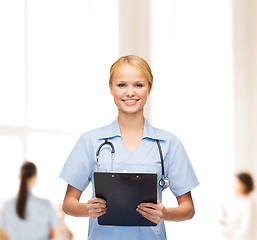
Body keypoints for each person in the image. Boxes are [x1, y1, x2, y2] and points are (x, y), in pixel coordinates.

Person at [59, 55, 199, 240]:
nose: (130, 92)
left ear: (149, 88)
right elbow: (68, 204)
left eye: (139, 85)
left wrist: (165, 214)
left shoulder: (168, 144)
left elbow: (188, 209)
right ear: (111, 88)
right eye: (122, 85)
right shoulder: (90, 141)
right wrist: (87, 208)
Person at [0, 161, 59, 240]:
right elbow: (54, 235)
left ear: (19, 177)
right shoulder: (46, 205)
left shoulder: (6, 205)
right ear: (35, 177)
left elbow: (2, 236)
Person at [219, 172, 256, 240]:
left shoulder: (249, 204)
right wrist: (225, 222)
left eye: (236, 183)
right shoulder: (238, 201)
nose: (233, 186)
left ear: (244, 186)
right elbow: (235, 220)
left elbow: (246, 230)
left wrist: (229, 233)